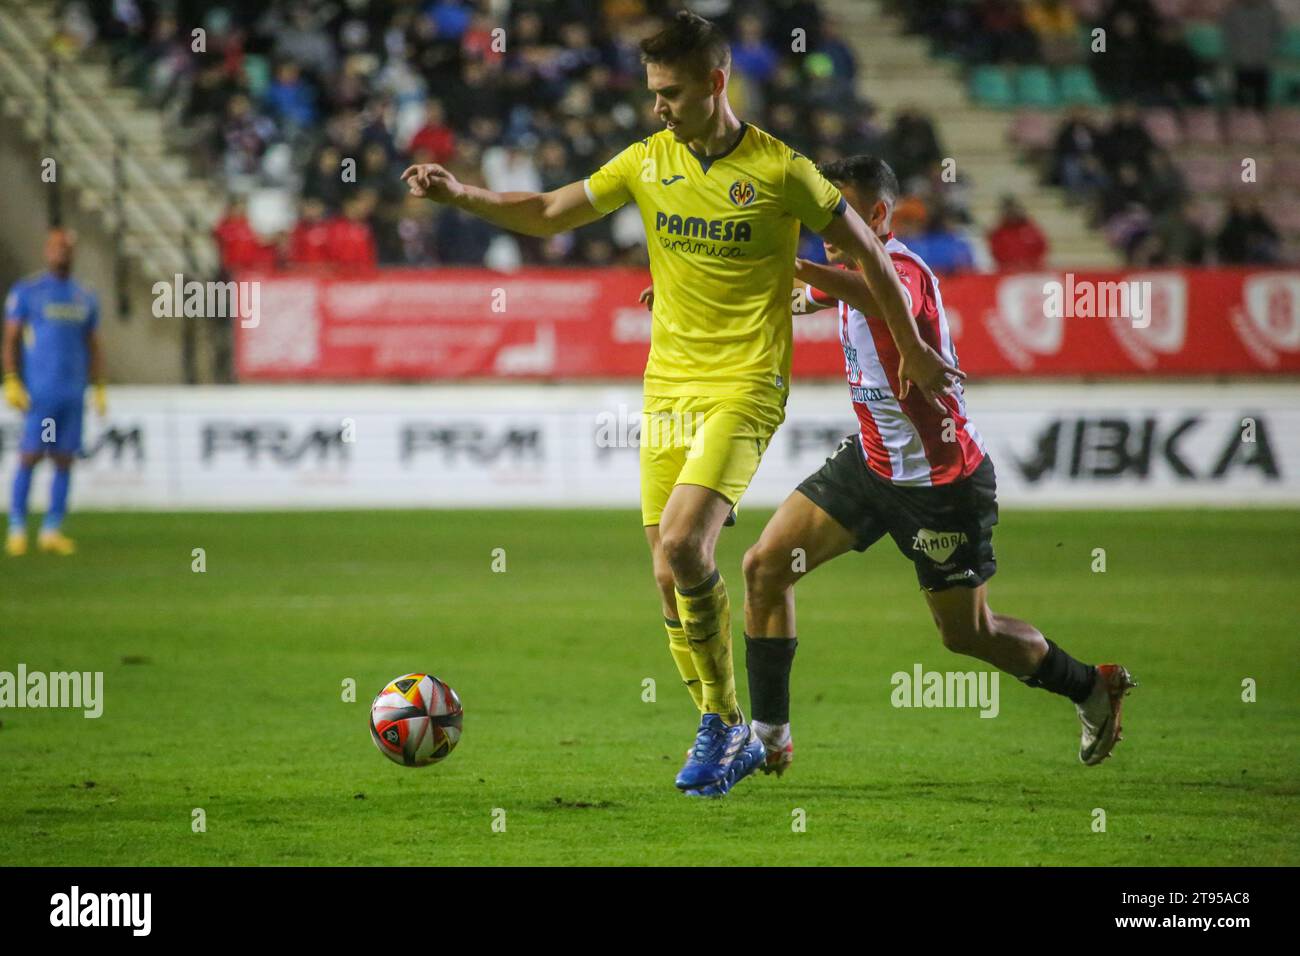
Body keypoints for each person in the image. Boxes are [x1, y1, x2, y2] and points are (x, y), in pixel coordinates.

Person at [401, 11, 961, 798]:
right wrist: (461, 194)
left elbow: (868, 253)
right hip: (666, 388)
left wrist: (908, 345)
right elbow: (549, 210)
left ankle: (725, 726)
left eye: (670, 92)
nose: (657, 105)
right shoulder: (646, 161)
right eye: (652, 91)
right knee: (667, 573)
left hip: (745, 385)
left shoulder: (780, 169)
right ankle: (725, 722)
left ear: (716, 82)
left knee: (687, 545)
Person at [742, 156, 1135, 774]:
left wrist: (785, 260)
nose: (824, 225)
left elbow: (877, 294)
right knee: (765, 567)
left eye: (836, 212)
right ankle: (767, 738)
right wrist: (698, 297)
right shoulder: (843, 272)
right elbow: (797, 298)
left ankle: (1090, 685)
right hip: (872, 468)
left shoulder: (901, 269)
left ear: (875, 215)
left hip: (940, 485)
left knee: (966, 635)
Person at [4, 229, 106, 557]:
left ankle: (51, 529)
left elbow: (94, 344)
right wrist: (11, 379)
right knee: (30, 455)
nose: (63, 253)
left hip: (72, 392)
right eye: (57, 247)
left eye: (68, 248)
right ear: (47, 251)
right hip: (41, 392)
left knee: (64, 459)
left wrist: (99, 385)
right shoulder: (29, 292)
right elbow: (11, 339)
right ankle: (17, 527)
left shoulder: (84, 296)